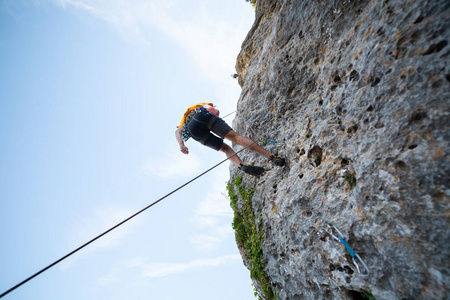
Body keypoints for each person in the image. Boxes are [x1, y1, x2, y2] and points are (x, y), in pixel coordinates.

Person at [175, 103, 285, 176]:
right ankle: (272, 156)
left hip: (193, 131)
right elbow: (214, 111)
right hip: (200, 116)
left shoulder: (183, 122)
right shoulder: (201, 106)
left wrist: (181, 145)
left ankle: (241, 165)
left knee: (225, 149)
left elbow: (177, 132)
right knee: (236, 138)